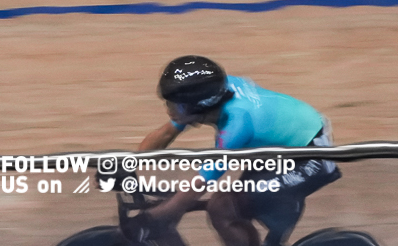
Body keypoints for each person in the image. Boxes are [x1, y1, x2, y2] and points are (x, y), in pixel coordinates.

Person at [131, 55, 340, 246]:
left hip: (312, 157)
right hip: (287, 146)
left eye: (174, 105)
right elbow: (164, 135)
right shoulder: (213, 91)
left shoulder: (237, 124)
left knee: (222, 209)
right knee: (217, 203)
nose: (168, 110)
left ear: (197, 107)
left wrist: (158, 215)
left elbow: (204, 179)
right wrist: (127, 166)